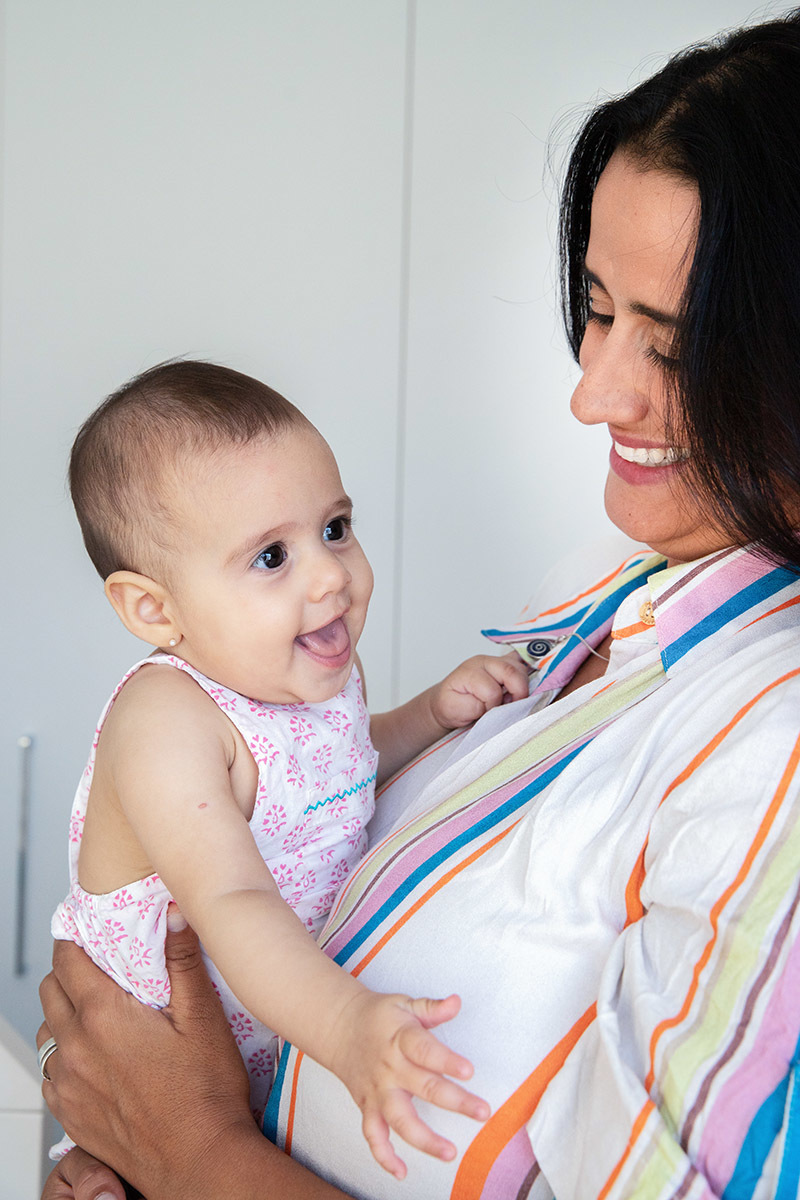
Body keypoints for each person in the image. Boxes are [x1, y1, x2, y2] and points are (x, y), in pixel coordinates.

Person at [37, 8, 800, 1199]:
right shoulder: (613, 602)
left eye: (675, 343)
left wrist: (189, 1153)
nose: (591, 395)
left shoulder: (772, 737)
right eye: (596, 311)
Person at [47, 361, 529, 1176]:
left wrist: (431, 714)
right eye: (271, 557)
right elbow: (231, 898)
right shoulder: (167, 722)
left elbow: (328, 788)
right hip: (151, 1075)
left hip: (260, 1072)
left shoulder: (308, 676)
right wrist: (345, 1026)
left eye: (335, 528)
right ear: (155, 611)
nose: (331, 575)